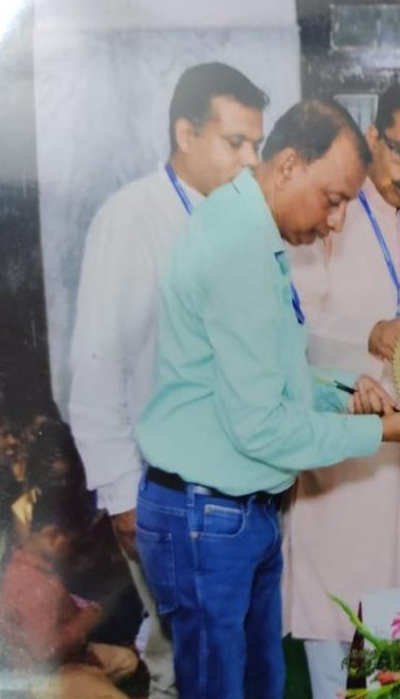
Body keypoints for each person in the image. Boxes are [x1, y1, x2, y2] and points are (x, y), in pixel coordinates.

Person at [133, 98, 400, 699]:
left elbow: (270, 374)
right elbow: (263, 426)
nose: (335, 222)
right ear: (290, 166)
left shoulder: (251, 229)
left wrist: (345, 391)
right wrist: (381, 431)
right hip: (208, 516)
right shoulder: (239, 247)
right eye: (332, 200)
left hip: (236, 513)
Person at [66, 62, 266, 699]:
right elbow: (96, 370)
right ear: (186, 133)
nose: (251, 159)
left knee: (231, 662)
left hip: (234, 491)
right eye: (236, 142)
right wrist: (123, 495)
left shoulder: (242, 220)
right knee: (178, 663)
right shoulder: (131, 218)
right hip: (163, 493)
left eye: (257, 144)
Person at [279, 84, 400, 699]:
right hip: (338, 467)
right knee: (336, 647)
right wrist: (370, 335)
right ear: (373, 136)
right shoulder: (330, 210)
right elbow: (296, 331)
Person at [1, 501, 140, 699]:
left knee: (126, 661)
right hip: (43, 675)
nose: (70, 545)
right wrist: (85, 620)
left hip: (67, 655)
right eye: (68, 538)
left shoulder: (38, 568)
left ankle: (86, 683)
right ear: (53, 536)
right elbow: (47, 652)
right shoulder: (30, 584)